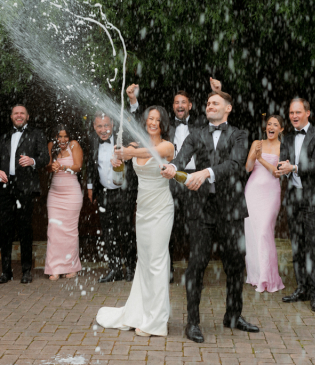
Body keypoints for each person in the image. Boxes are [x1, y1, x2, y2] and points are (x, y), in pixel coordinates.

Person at [162, 91, 259, 343]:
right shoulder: (196, 134)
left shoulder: (239, 134)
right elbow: (182, 158)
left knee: (235, 264)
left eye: (215, 103)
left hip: (231, 208)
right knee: (196, 265)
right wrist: (172, 167)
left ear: (228, 108)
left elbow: (236, 165)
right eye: (207, 103)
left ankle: (233, 316)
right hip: (201, 209)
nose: (210, 106)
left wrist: (205, 172)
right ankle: (192, 322)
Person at [126, 78, 221, 282]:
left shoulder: (201, 125)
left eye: (183, 102)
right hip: (167, 179)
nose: (179, 106)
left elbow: (218, 118)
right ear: (173, 106)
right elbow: (143, 126)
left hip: (194, 179)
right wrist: (133, 102)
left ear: (190, 106)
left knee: (196, 229)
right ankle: (165, 273)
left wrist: (218, 93)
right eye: (176, 102)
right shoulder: (165, 127)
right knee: (166, 228)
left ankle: (194, 276)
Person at [96, 106, 176, 336]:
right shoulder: (133, 147)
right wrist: (117, 163)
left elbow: (151, 152)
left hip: (161, 209)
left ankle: (157, 322)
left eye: (157, 120)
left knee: (158, 261)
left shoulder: (166, 146)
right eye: (150, 119)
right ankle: (141, 312)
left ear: (164, 124)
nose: (153, 123)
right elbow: (120, 177)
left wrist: (129, 153)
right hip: (142, 210)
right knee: (145, 261)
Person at [274, 98, 315, 312]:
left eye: (298, 112)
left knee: (312, 245)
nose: (294, 116)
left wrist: (294, 167)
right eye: (291, 113)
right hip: (294, 198)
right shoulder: (288, 138)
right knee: (297, 244)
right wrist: (282, 167)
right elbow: (282, 159)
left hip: (314, 198)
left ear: (308, 113)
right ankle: (301, 287)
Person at [0, 104, 48, 284]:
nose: (19, 116)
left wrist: (32, 161)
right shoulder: (4, 136)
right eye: (16, 113)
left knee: (25, 229)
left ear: (28, 117)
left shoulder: (36, 134)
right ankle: (6, 272)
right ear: (11, 116)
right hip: (5, 188)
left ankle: (26, 271)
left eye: (22, 113)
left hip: (25, 188)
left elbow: (45, 158)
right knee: (5, 230)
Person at [86, 112, 137, 283]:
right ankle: (115, 269)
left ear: (113, 124)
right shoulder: (92, 141)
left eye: (106, 125)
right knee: (108, 232)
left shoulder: (123, 139)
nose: (103, 130)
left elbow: (136, 146)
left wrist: (124, 156)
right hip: (104, 193)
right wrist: (90, 187)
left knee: (125, 231)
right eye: (99, 126)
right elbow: (90, 164)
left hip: (123, 192)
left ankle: (131, 268)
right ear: (94, 127)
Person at [243, 114, 285, 293]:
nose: (271, 127)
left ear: (281, 129)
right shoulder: (256, 143)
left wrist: (261, 159)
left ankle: (269, 277)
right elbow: (248, 167)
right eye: (269, 124)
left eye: (275, 124)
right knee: (252, 233)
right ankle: (256, 275)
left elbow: (277, 172)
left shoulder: (282, 146)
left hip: (271, 192)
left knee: (264, 232)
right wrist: (254, 155)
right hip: (252, 191)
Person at [45, 125, 84, 280]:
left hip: (71, 193)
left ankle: (71, 266)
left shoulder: (74, 144)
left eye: (65, 136)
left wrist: (62, 166)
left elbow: (77, 167)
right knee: (54, 230)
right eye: (59, 136)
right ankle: (54, 268)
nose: (62, 140)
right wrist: (52, 166)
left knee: (69, 231)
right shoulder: (50, 146)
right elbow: (47, 168)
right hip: (55, 194)